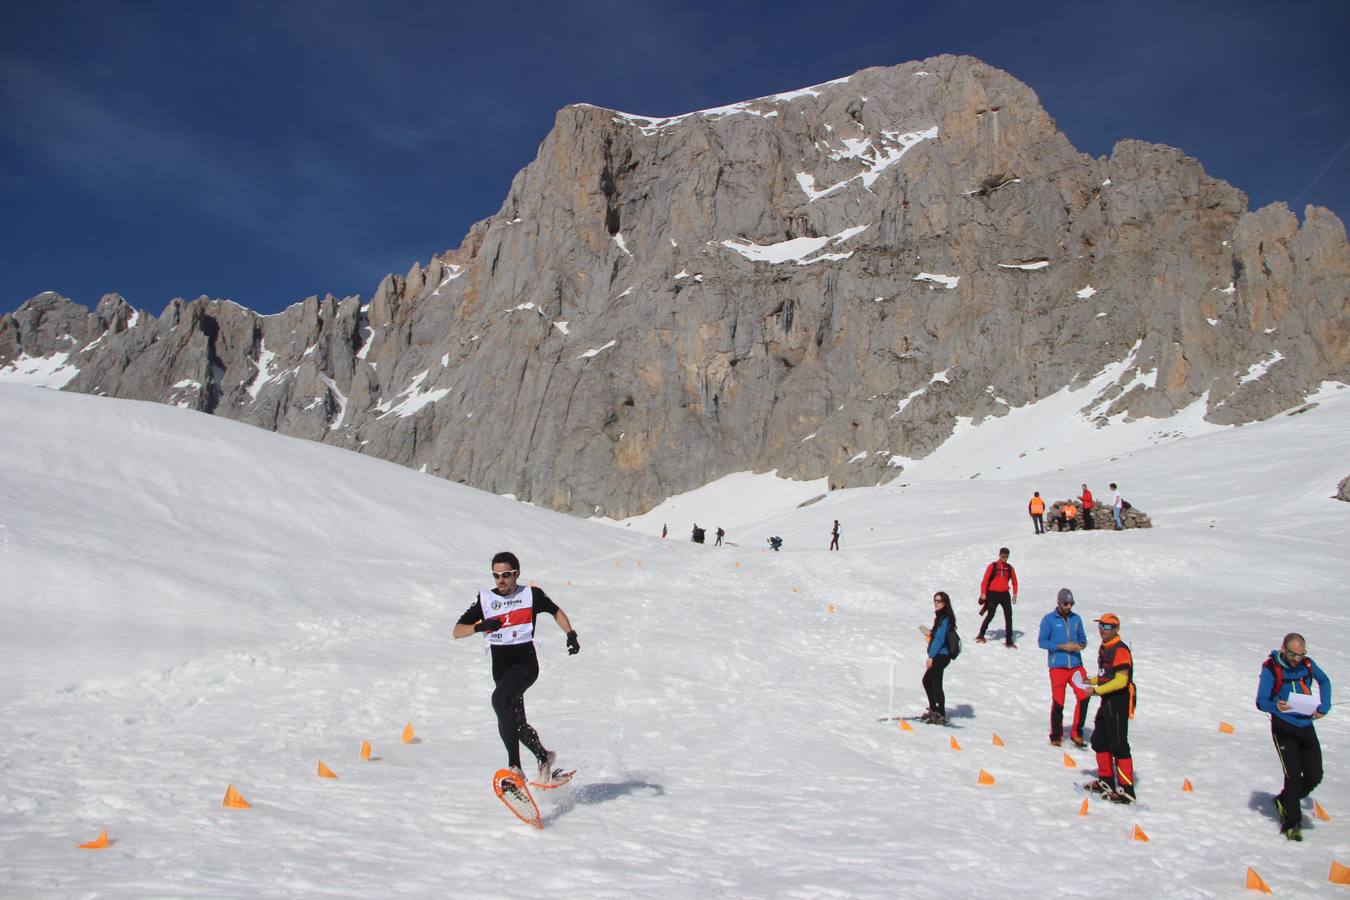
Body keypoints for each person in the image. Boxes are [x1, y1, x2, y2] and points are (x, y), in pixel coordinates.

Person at [452, 552, 580, 790]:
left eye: (506, 575)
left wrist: (570, 634)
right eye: (496, 575)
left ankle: (515, 768)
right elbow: (457, 631)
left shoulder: (531, 595)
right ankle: (544, 756)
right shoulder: (486, 600)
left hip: (525, 665)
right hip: (501, 670)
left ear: (517, 574)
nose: (501, 580)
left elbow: (555, 611)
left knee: (499, 700)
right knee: (515, 722)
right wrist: (479, 626)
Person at [1256, 633, 1333, 841]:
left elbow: (1324, 681)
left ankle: (1285, 800)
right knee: (1292, 776)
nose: (1297, 659)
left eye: (1301, 654)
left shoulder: (1307, 665)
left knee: (1314, 775)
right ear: (1283, 649)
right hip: (1283, 727)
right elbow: (1261, 701)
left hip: (1306, 725)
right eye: (1292, 654)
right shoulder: (1271, 668)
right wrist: (1276, 706)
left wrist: (1324, 707)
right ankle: (1292, 823)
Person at [1083, 613, 1136, 803]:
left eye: (1107, 627)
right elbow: (1106, 675)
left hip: (1118, 700)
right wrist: (1092, 680)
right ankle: (1106, 780)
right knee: (1100, 740)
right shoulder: (1106, 648)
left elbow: (1121, 681)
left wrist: (1095, 691)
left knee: (1119, 745)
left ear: (1115, 629)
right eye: (1100, 626)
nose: (1102, 630)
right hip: (1107, 699)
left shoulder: (1120, 650)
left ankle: (1126, 789)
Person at [1037, 588, 1090, 747]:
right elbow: (1042, 642)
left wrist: (1079, 646)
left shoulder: (1076, 619)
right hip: (1058, 666)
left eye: (1071, 604)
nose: (1069, 607)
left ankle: (1077, 732)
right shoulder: (1049, 619)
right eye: (1066, 603)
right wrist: (1062, 647)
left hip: (1075, 666)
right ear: (1059, 602)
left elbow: (1083, 640)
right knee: (1059, 701)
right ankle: (1056, 735)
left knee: (1085, 695)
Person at [918, 591, 957, 724]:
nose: (936, 603)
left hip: (941, 655)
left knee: (935, 683)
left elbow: (940, 639)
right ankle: (934, 710)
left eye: (939, 601)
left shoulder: (945, 617)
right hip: (940, 655)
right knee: (928, 681)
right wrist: (930, 633)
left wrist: (931, 657)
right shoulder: (941, 617)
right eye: (935, 600)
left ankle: (940, 714)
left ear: (945, 603)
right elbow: (939, 635)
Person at [976, 547, 1018, 648]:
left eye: (1007, 557)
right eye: (1003, 556)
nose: (1005, 559)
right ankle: (981, 634)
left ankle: (1009, 641)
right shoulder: (993, 566)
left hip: (1004, 594)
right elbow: (985, 581)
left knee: (1009, 617)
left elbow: (1015, 583)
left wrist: (1015, 595)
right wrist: (983, 593)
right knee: (991, 615)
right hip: (993, 594)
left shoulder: (1009, 568)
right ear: (999, 555)